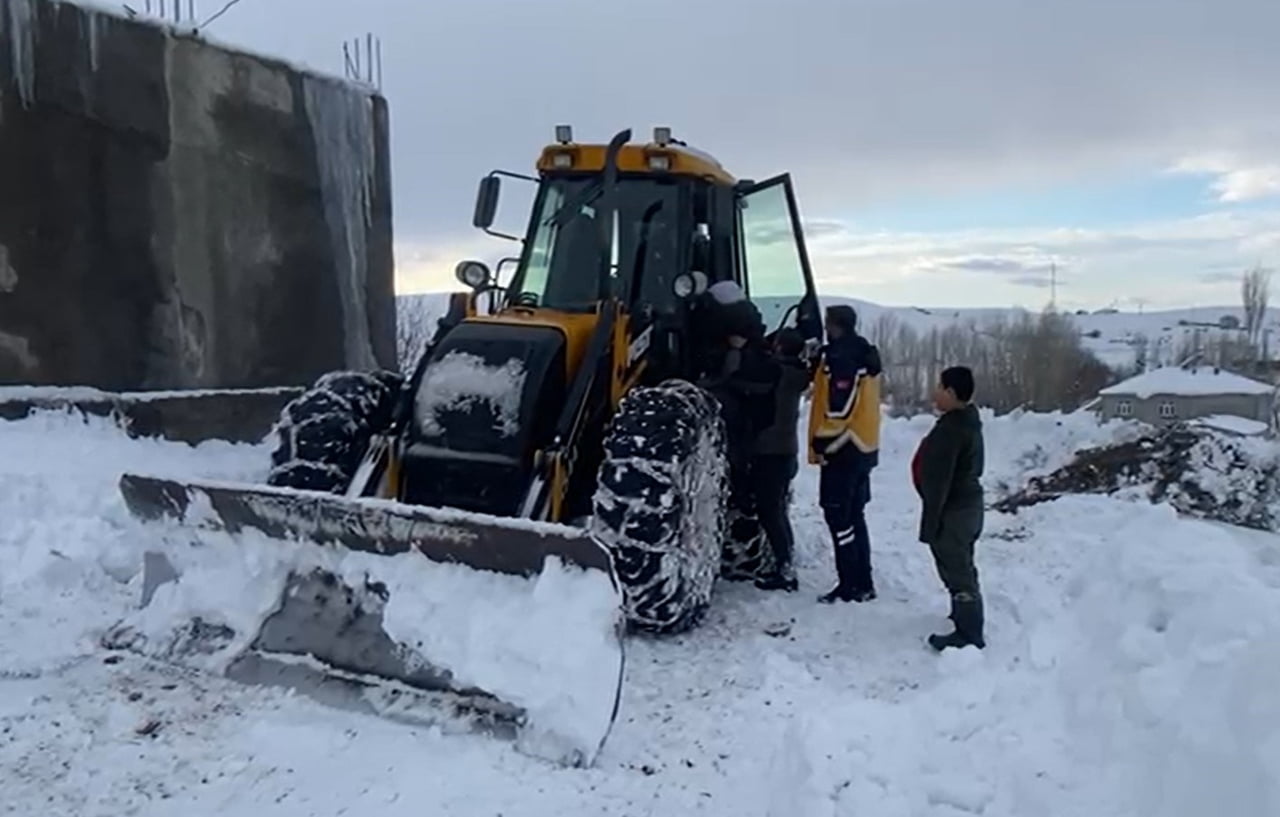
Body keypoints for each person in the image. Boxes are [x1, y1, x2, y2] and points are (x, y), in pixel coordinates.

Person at [807, 305, 882, 604]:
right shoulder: (862, 351)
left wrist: (823, 440)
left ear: (834, 325)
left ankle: (850, 583)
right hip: (863, 446)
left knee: (839, 516)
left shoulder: (843, 357)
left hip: (843, 448)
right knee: (854, 514)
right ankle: (862, 580)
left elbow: (840, 405)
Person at [913, 365, 986, 651]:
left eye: (940, 387)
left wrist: (931, 523)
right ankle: (962, 614)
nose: (935, 392)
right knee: (961, 564)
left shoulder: (952, 430)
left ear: (952, 393)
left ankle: (969, 634)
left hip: (955, 510)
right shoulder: (967, 420)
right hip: (968, 507)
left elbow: (938, 481)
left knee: (958, 570)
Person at [751, 328, 814, 592]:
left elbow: (750, 384)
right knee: (776, 509)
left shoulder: (777, 373)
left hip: (770, 451)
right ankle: (786, 563)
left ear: (779, 347)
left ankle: (785, 570)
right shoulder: (797, 372)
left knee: (769, 511)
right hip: (786, 450)